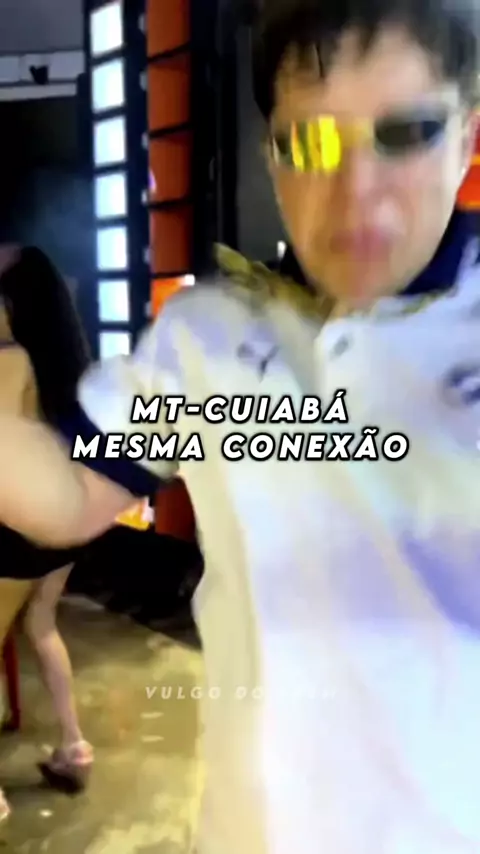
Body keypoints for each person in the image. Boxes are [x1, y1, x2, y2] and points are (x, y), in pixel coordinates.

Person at [0, 0, 480, 850]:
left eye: (406, 133)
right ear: (271, 157)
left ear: (468, 135)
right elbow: (69, 491)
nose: (356, 191)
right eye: (311, 145)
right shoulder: (211, 341)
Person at [0, 248, 94, 822]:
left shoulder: (8, 359)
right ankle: (74, 746)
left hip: (19, 534)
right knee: (41, 625)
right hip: (68, 523)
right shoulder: (69, 366)